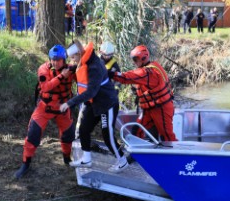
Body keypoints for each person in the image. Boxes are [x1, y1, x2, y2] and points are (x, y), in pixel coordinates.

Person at [60, 40, 128, 173]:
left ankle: (122, 160)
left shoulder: (95, 67)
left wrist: (69, 103)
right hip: (95, 103)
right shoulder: (86, 60)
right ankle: (87, 158)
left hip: (107, 103)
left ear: (79, 53)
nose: (72, 61)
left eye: (73, 58)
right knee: (84, 129)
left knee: (107, 135)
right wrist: (69, 68)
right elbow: (79, 66)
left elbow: (91, 92)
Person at [14, 45, 77, 179]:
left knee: (68, 135)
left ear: (64, 59)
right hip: (45, 106)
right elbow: (46, 87)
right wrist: (62, 76)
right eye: (53, 59)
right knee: (33, 133)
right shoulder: (43, 69)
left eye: (58, 60)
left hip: (63, 107)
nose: (55, 62)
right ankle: (26, 163)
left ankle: (67, 159)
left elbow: (83, 80)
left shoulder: (71, 69)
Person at [110, 45, 177, 142]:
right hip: (150, 109)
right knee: (137, 131)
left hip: (161, 109)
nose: (134, 62)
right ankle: (136, 154)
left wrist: (112, 74)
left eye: (135, 59)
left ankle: (175, 155)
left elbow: (126, 77)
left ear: (143, 58)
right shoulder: (152, 66)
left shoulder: (149, 72)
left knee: (167, 137)